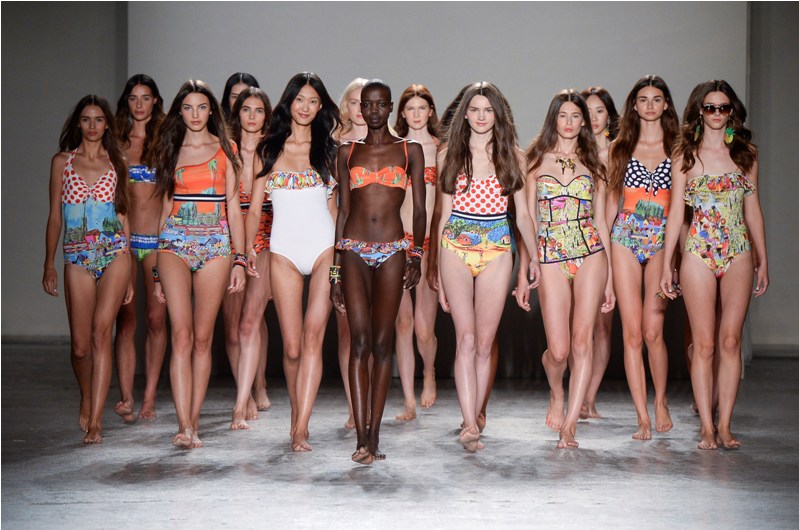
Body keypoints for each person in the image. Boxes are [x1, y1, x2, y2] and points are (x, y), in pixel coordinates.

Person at [659, 80, 768, 450]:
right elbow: (675, 214)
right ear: (699, 111)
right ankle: (706, 426)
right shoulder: (685, 156)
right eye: (710, 107)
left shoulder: (746, 154)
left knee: (730, 341)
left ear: (731, 111)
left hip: (738, 250)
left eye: (723, 107)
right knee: (704, 344)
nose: (717, 113)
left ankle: (725, 425)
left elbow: (753, 209)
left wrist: (763, 258)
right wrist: (667, 264)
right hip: (698, 251)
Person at [437, 82, 538, 452]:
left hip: (497, 248)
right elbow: (443, 215)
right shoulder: (449, 155)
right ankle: (469, 423)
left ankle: (476, 413)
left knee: (483, 343)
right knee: (464, 339)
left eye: (488, 110)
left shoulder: (514, 157)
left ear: (498, 114)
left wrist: (535, 257)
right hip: (455, 246)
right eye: (475, 109)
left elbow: (523, 215)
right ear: (465, 114)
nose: (481, 116)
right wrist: (437, 272)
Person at [331, 80, 426, 464]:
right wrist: (334, 273)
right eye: (366, 105)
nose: (372, 111)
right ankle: (360, 440)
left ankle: (374, 436)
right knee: (360, 342)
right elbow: (342, 211)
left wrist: (416, 255)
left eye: (379, 104)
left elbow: (420, 209)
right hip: (354, 250)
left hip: (393, 251)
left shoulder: (409, 150)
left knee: (383, 344)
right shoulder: (347, 151)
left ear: (390, 108)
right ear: (360, 109)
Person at [246, 72, 341, 451]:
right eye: (300, 99)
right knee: (292, 348)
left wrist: (340, 263)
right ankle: (295, 414)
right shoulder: (268, 149)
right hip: (283, 251)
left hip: (324, 250)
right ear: (289, 102)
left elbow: (335, 210)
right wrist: (246, 249)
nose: (305, 107)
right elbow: (255, 210)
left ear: (320, 107)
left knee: (314, 338)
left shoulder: (329, 151)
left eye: (313, 101)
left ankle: (302, 426)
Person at [152, 80, 245, 448]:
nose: (195, 114)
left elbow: (233, 208)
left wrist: (240, 259)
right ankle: (183, 426)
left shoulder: (226, 149)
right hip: (174, 242)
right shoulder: (169, 149)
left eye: (202, 107)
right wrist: (156, 273)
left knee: (203, 339)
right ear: (180, 111)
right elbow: (164, 208)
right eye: (188, 107)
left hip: (215, 245)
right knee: (181, 335)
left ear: (211, 110)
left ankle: (193, 422)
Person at [521, 89, 614, 449]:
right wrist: (528, 261)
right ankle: (556, 392)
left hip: (591, 251)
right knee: (559, 351)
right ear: (553, 119)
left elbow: (601, 221)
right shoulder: (535, 159)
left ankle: (570, 426)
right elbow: (528, 219)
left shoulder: (596, 162)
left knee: (582, 342)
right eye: (563, 115)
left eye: (576, 116)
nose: (570, 122)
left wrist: (610, 280)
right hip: (551, 254)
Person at [43, 95, 133, 443]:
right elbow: (55, 216)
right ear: (77, 123)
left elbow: (122, 215)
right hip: (76, 256)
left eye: (98, 119)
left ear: (107, 123)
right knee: (81, 348)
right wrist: (49, 263)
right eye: (86, 119)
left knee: (101, 333)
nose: (92, 126)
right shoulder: (62, 163)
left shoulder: (117, 162)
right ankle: (86, 395)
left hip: (114, 253)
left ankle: (96, 421)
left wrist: (129, 274)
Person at [607, 75, 680, 439]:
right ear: (634, 106)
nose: (650, 105)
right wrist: (604, 263)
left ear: (666, 104)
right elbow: (610, 205)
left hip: (662, 239)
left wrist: (675, 260)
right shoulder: (619, 147)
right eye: (643, 99)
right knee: (632, 333)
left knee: (654, 331)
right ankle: (641, 416)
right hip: (625, 236)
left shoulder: (679, 149)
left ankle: (661, 400)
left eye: (656, 99)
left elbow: (683, 208)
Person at [112, 74, 167, 422]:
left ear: (156, 101)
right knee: (126, 321)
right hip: (124, 242)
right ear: (126, 102)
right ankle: (127, 396)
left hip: (157, 243)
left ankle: (149, 397)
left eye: (146, 98)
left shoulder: (166, 142)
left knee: (156, 319)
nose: (140, 104)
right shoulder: (116, 143)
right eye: (133, 98)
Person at [223, 87, 274, 429]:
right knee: (231, 329)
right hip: (229, 241)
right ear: (236, 113)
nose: (252, 116)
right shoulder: (224, 151)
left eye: (258, 110)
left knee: (250, 322)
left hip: (266, 239)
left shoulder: (273, 152)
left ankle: (246, 398)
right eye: (246, 110)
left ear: (266, 116)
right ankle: (247, 391)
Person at [393, 84, 440, 420]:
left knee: (424, 329)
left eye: (422, 108)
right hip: (396, 241)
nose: (417, 114)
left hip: (428, 244)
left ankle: (429, 371)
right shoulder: (394, 148)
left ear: (431, 112)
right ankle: (408, 400)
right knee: (403, 322)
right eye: (410, 108)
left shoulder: (441, 149)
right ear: (402, 113)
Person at [579, 86, 619, 420]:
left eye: (600, 111)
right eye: (587, 111)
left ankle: (589, 397)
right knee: (578, 327)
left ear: (609, 116)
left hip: (611, 241)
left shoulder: (618, 153)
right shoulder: (571, 151)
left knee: (602, 327)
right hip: (573, 243)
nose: (593, 118)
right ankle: (575, 393)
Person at [332, 77, 368, 429]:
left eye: (365, 102)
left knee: (371, 330)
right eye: (354, 102)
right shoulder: (334, 145)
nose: (359, 109)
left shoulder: (389, 143)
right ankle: (353, 404)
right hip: (343, 243)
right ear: (346, 106)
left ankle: (369, 402)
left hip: (381, 244)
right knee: (348, 331)